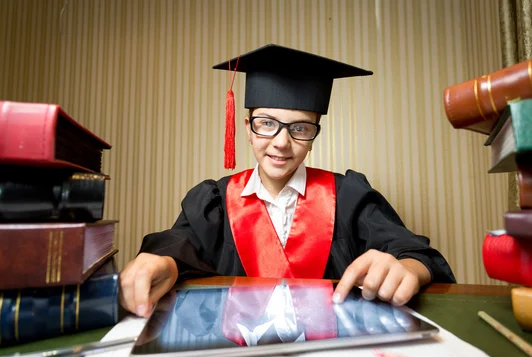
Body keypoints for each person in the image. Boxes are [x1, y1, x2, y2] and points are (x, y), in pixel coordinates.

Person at [119, 44, 456, 318]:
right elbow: (180, 247)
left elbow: (415, 254)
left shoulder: (349, 197)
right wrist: (161, 262)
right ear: (247, 127)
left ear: (314, 134)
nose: (281, 142)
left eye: (300, 128)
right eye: (266, 123)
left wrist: (407, 269)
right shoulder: (215, 201)